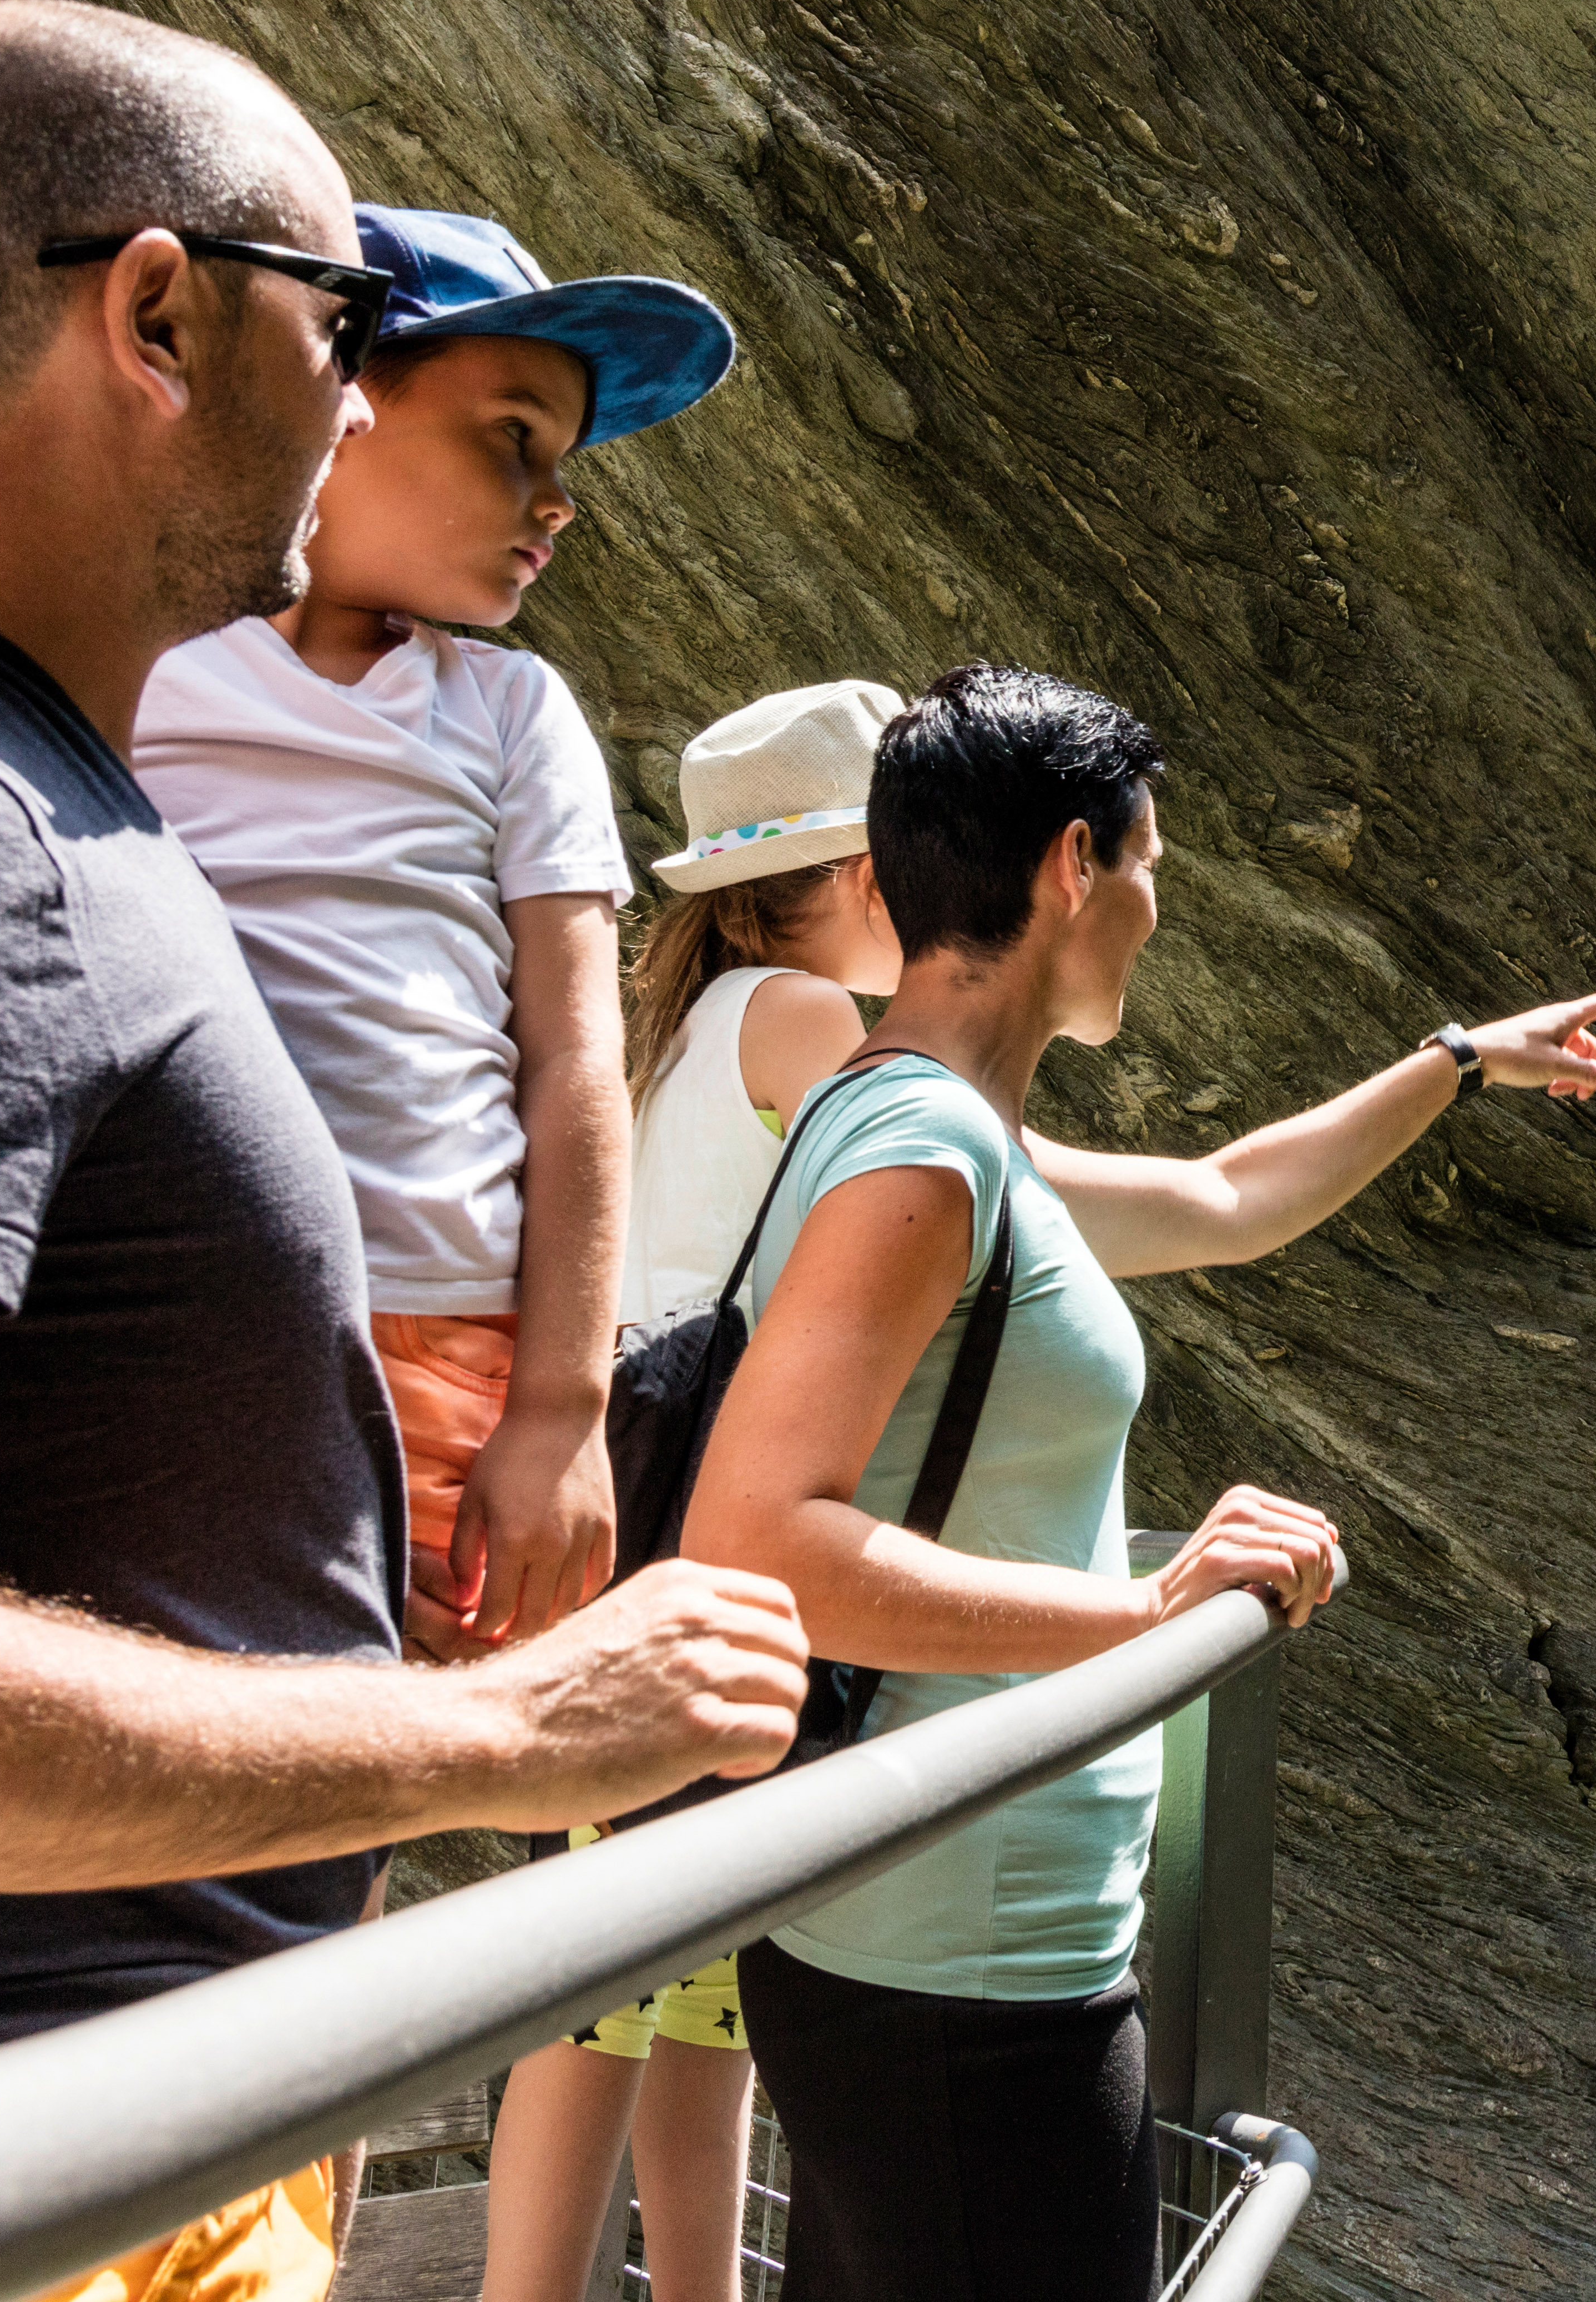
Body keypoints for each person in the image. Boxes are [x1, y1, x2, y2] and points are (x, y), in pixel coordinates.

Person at [0, 0, 802, 2298]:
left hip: (98, 2124)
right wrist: (492, 1727)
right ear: (155, 311)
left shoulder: (10, 795)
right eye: (341, 326)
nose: (349, 390)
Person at [0, 205, 743, 1668]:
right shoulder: (135, 643)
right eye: (514, 438)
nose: (556, 500)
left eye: (565, 463)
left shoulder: (512, 713)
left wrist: (561, 1414)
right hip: (161, 1290)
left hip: (444, 1325)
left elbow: (575, 1067)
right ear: (336, 403)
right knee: (150, 1699)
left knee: (368, 1746)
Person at [685, 662, 1596, 2302]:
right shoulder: (921, 1156)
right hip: (961, 1968)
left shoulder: (943, 1126)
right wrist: (1141, 1611)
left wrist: (1460, 1061)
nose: (1152, 911)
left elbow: (1220, 1196)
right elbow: (761, 1544)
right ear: (1074, 865)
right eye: (1150, 870)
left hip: (944, 1938)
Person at [482, 681, 913, 2302]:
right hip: (713, 1523)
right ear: (866, 874)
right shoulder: (806, 1025)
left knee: (661, 1975)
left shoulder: (683, 1021)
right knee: (628, 1980)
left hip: (628, 1515)